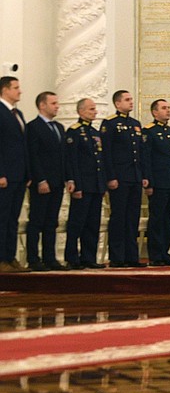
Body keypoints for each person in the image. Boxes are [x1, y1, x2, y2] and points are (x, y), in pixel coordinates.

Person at [100, 90, 147, 268]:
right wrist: (110, 177)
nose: (131, 102)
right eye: (127, 100)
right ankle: (117, 257)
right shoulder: (110, 124)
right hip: (119, 178)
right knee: (119, 217)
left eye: (131, 99)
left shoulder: (135, 124)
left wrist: (142, 175)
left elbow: (140, 152)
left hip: (134, 177)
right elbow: (107, 153)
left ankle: (131, 256)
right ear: (117, 103)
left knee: (132, 218)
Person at [25, 91, 66, 271]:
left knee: (51, 221)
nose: (57, 106)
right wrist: (40, 179)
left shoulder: (59, 127)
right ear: (42, 105)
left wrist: (66, 178)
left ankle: (50, 258)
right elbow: (33, 156)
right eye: (53, 103)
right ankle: (33, 259)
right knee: (37, 221)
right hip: (42, 182)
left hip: (57, 182)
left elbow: (62, 156)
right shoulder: (33, 127)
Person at [64, 97, 106, 269]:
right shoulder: (74, 132)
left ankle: (89, 257)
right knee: (77, 223)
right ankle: (72, 258)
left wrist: (101, 184)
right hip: (82, 185)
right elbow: (71, 161)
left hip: (95, 185)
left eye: (94, 108)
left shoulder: (95, 133)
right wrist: (75, 184)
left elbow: (99, 161)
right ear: (81, 111)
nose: (95, 111)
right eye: (91, 109)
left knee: (92, 224)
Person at [142, 99, 170, 266]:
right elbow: (147, 159)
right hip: (158, 183)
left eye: (169, 108)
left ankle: (165, 253)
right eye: (164, 108)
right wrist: (149, 182)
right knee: (157, 219)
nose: (168, 111)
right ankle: (155, 255)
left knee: (168, 220)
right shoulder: (149, 131)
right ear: (154, 112)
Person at [0, 76, 28, 273]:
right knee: (2, 217)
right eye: (16, 88)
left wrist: (27, 173)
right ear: (5, 90)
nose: (20, 91)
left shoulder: (17, 113)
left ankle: (10, 257)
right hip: (5, 176)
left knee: (13, 218)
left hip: (18, 175)